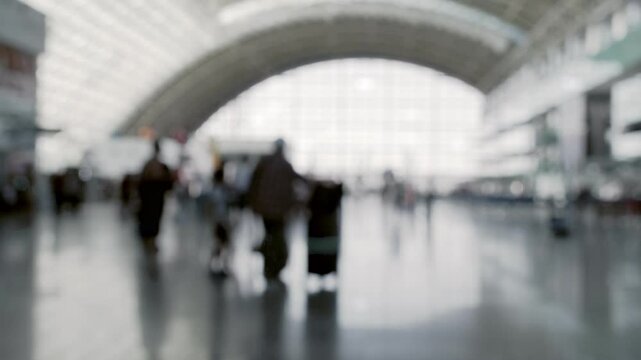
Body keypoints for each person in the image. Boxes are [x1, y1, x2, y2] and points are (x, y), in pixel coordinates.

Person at [248, 139, 304, 280]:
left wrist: (253, 204)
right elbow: (299, 179)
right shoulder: (285, 165)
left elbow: (253, 183)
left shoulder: (264, 163)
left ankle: (269, 265)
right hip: (280, 211)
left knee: (270, 234)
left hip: (265, 209)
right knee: (278, 236)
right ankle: (277, 265)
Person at [137, 140, 174, 254]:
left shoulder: (156, 165)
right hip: (151, 198)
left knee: (154, 219)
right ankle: (149, 240)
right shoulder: (154, 165)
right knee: (151, 219)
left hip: (155, 198)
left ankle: (151, 240)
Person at [208, 165, 235, 275]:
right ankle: (222, 265)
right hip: (221, 221)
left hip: (220, 221)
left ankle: (220, 264)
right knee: (222, 244)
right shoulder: (219, 191)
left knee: (221, 244)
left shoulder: (217, 190)